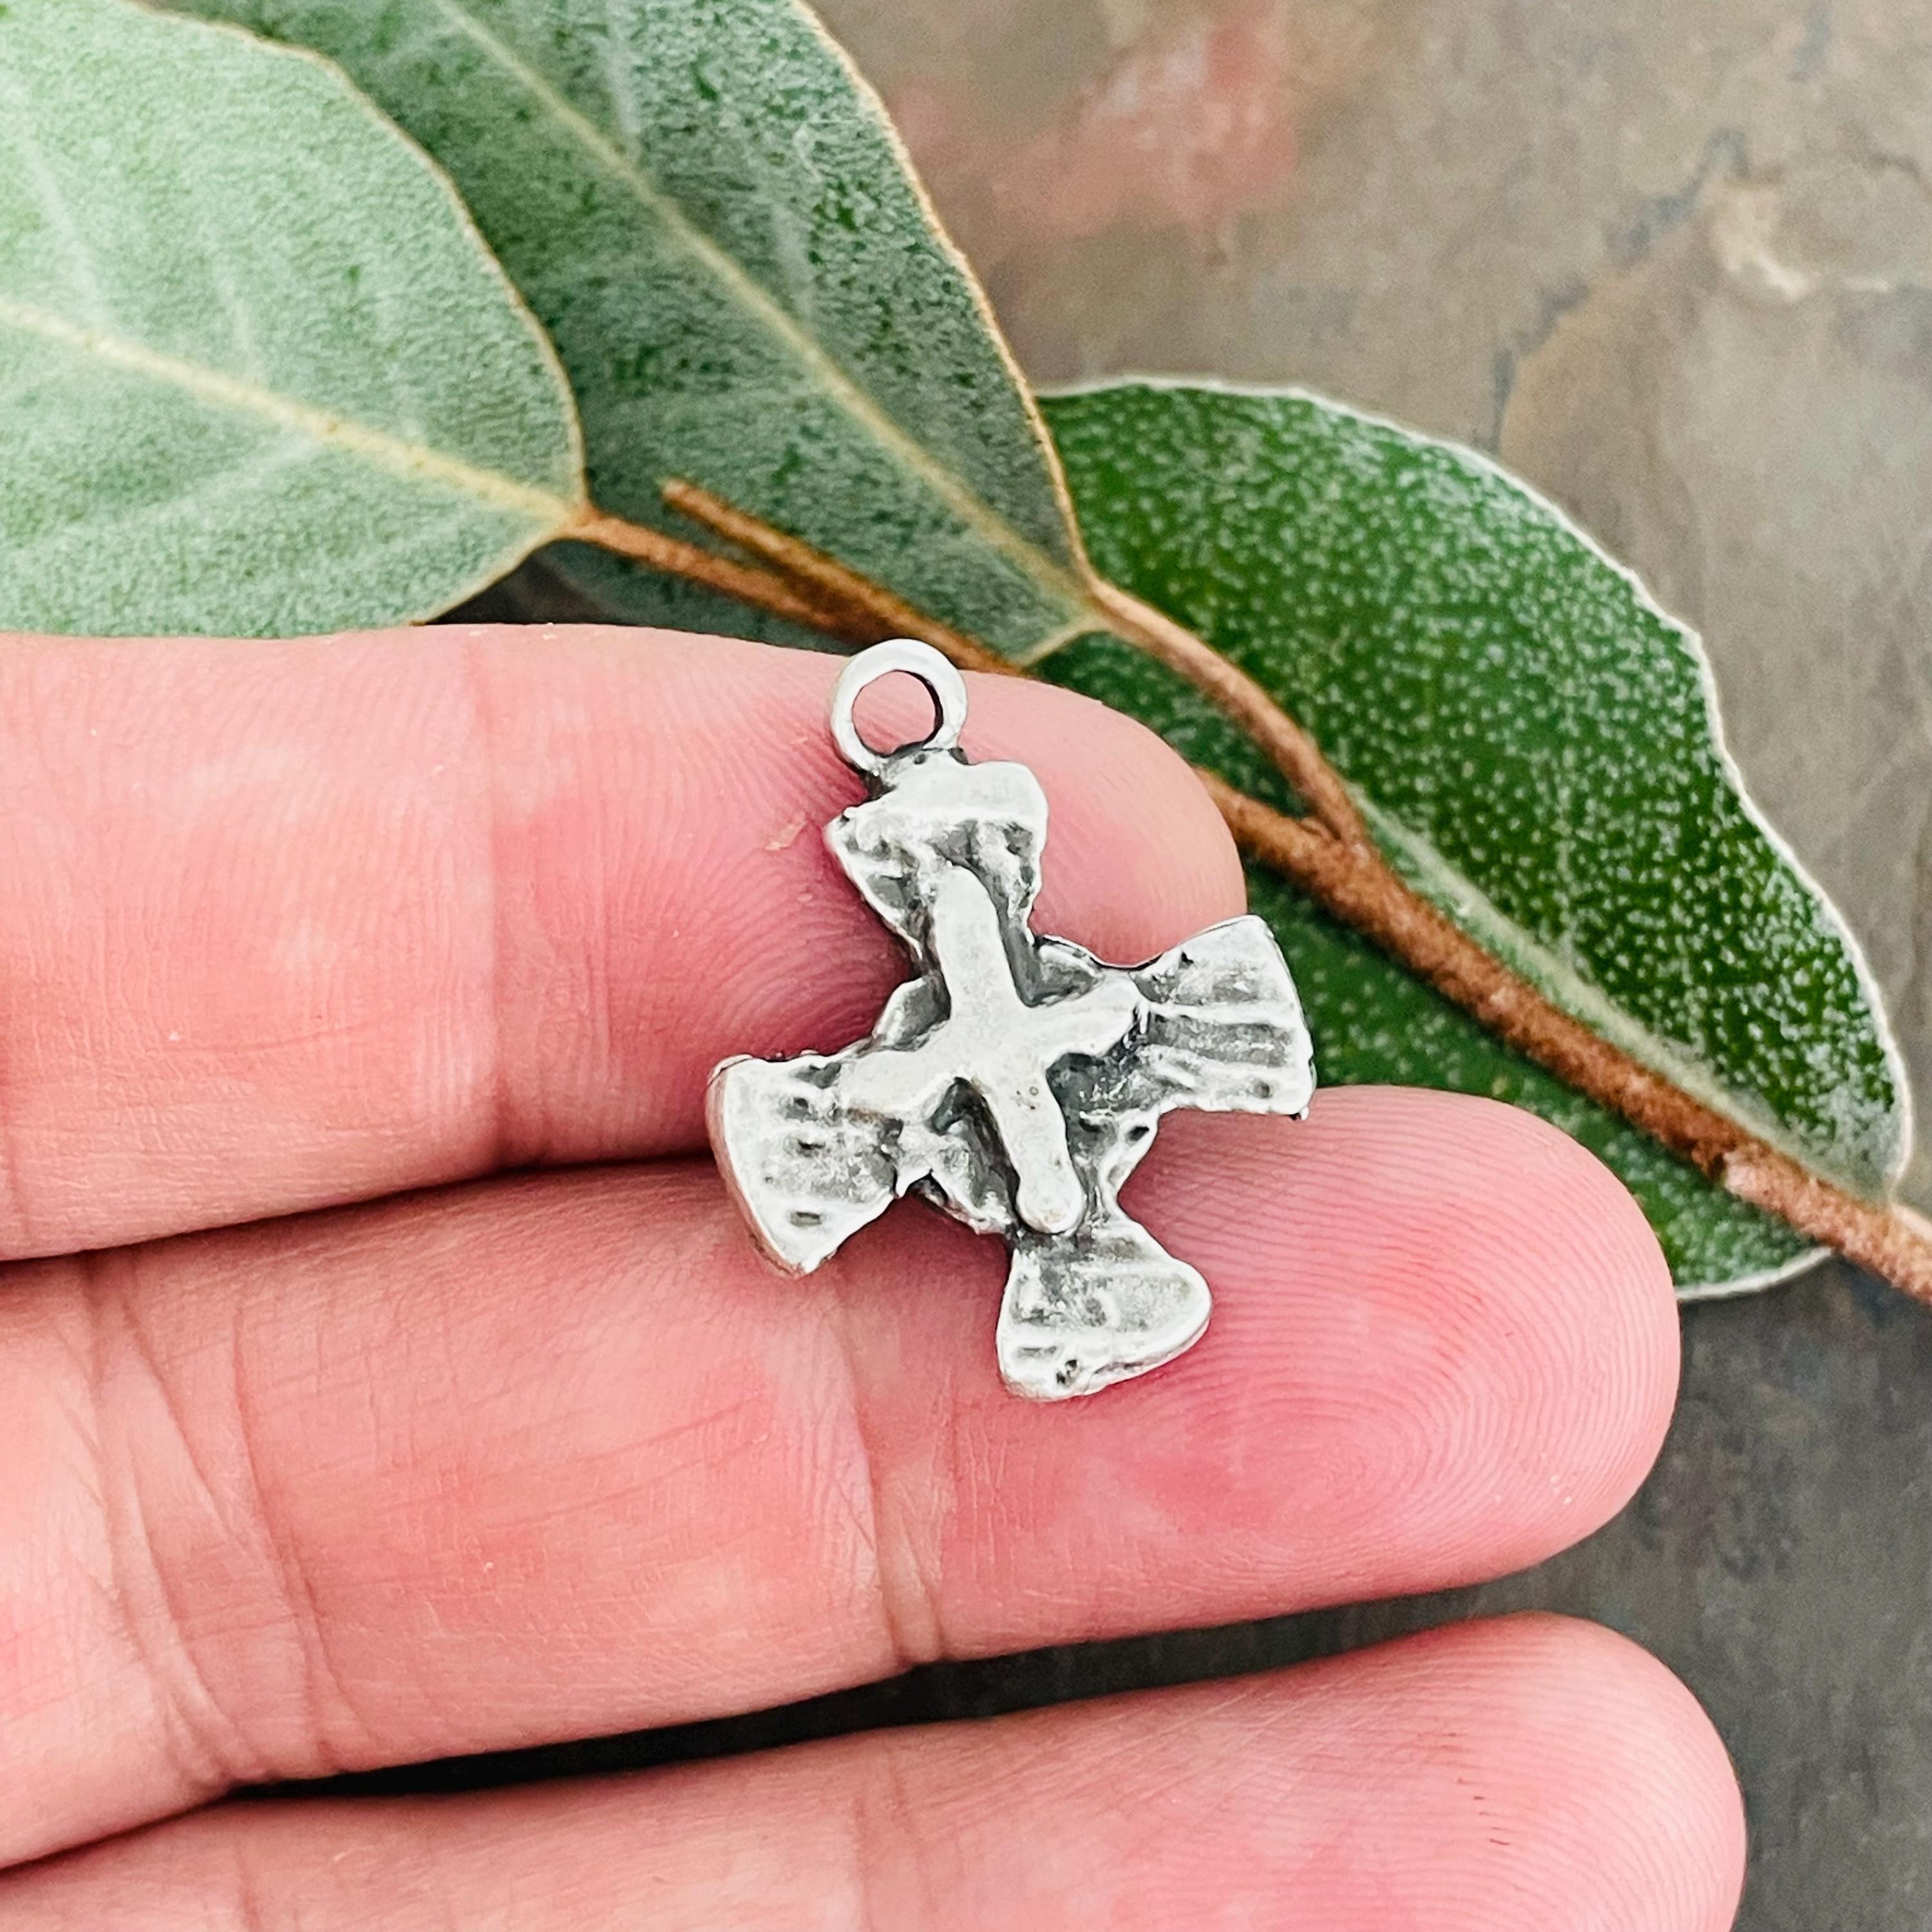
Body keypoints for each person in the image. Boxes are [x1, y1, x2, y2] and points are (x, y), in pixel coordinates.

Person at [0, 627, 1745, 1927]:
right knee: (1013, 1143)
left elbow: (1037, 1022)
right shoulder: (952, 1010)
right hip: (991, 1114)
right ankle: (1071, 1248)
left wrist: (1028, 1045)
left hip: (1039, 1098)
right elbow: (963, 1049)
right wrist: (958, 1071)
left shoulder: (1035, 983)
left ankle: (1075, 1249)